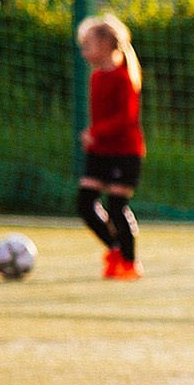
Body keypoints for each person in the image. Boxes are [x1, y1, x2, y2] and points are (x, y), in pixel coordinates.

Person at [75, 14, 145, 280]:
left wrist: (96, 132)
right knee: (84, 203)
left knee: (116, 207)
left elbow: (126, 118)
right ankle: (114, 249)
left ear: (105, 45)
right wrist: (94, 136)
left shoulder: (123, 78)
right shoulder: (96, 77)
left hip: (126, 153)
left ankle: (129, 262)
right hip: (100, 152)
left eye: (88, 44)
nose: (84, 50)